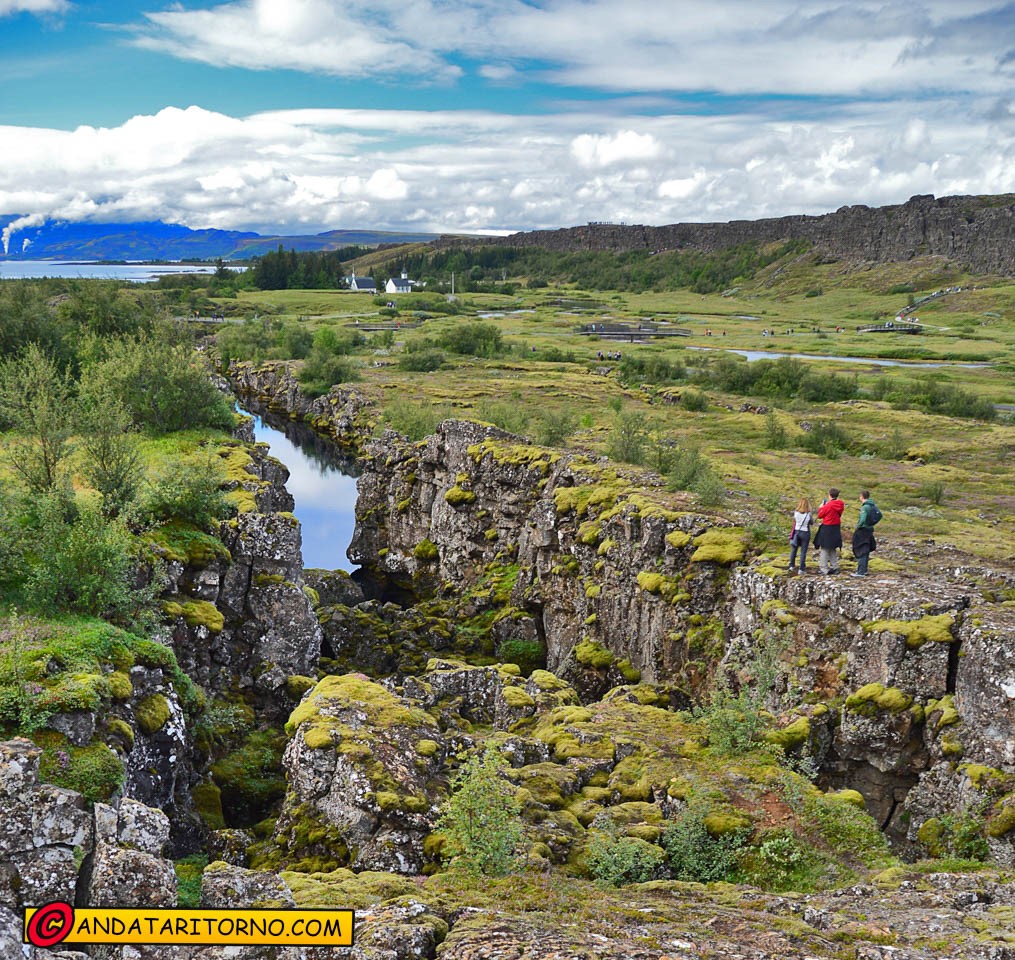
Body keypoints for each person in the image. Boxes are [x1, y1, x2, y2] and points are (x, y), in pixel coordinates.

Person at [814, 487, 845, 574]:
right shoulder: (840, 504)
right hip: (836, 527)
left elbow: (820, 515)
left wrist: (821, 507)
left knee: (824, 548)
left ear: (830, 495)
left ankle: (824, 568)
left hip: (827, 528)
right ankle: (834, 567)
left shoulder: (828, 505)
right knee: (832, 547)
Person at [851, 489, 878, 577]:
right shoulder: (873, 505)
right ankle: (864, 570)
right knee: (866, 550)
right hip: (869, 530)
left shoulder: (865, 507)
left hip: (863, 530)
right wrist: (872, 523)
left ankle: (860, 572)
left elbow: (862, 519)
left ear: (862, 496)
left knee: (861, 550)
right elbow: (879, 515)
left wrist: (858, 526)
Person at [788, 497, 812, 574]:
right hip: (805, 532)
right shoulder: (808, 514)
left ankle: (791, 565)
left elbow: (795, 521)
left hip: (796, 532)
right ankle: (801, 569)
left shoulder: (796, 512)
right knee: (803, 552)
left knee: (794, 549)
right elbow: (811, 522)